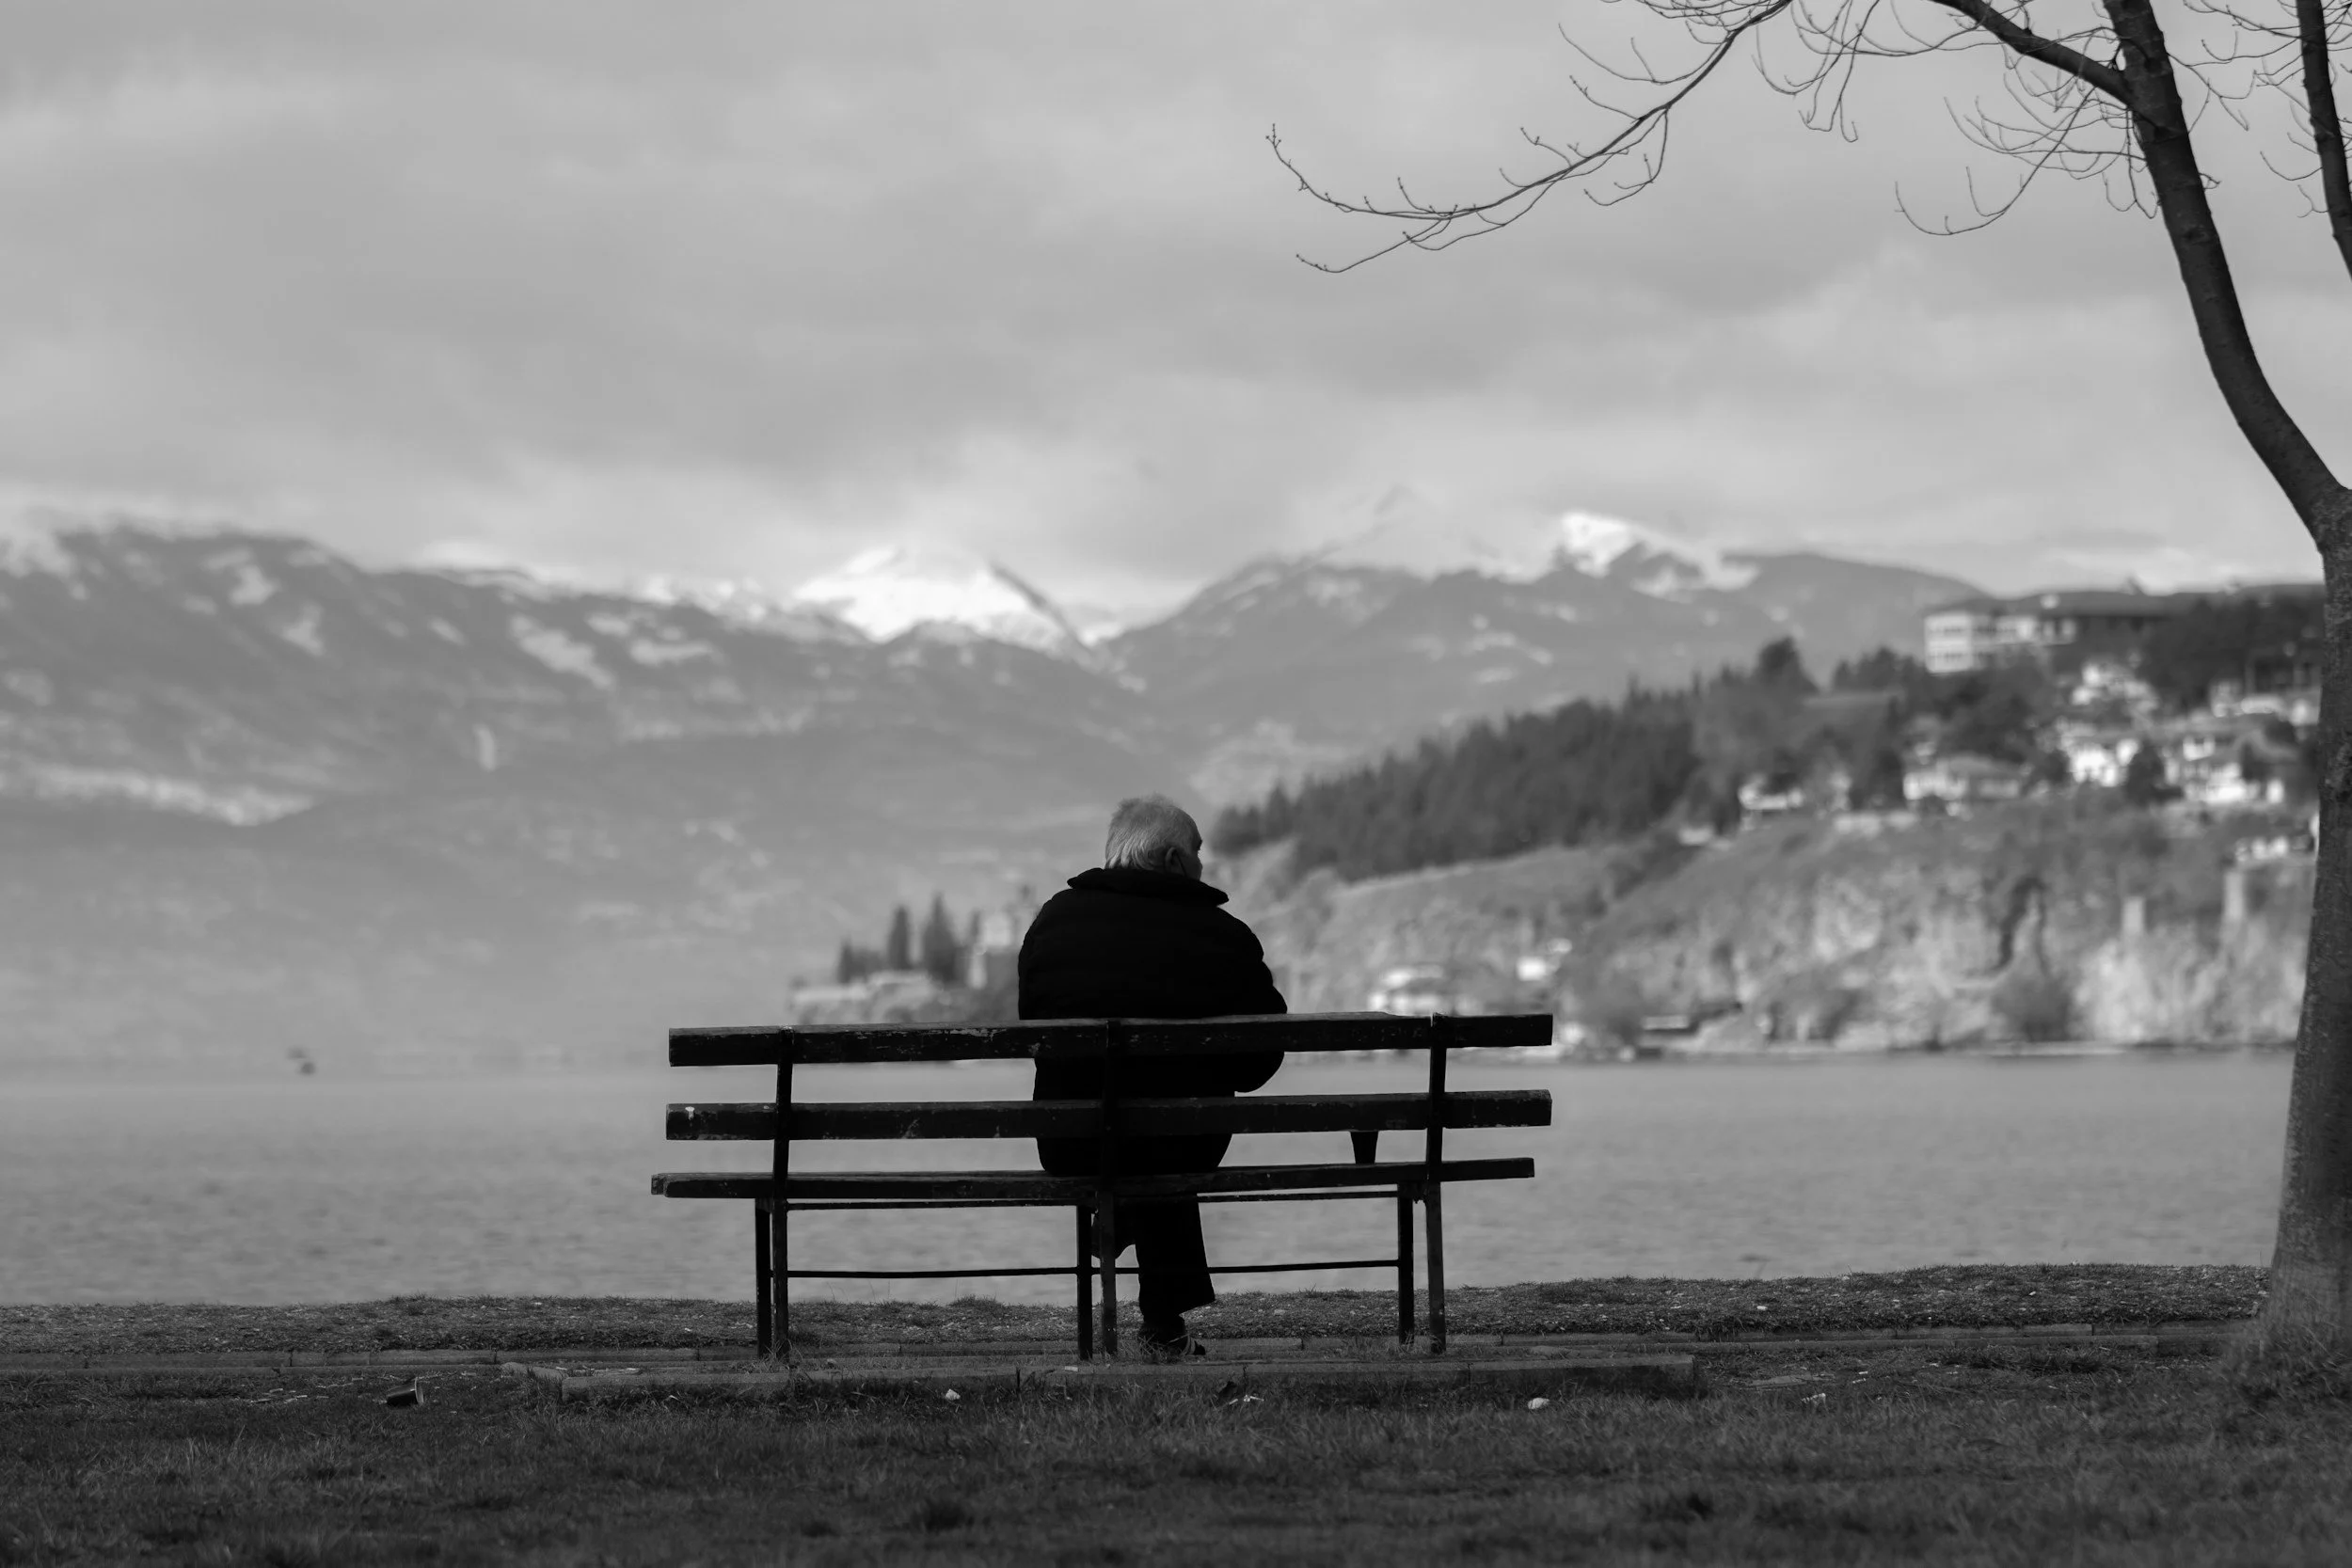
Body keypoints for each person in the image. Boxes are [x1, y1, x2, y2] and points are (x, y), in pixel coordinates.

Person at [1019, 794, 1286, 1359]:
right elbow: (1259, 1064)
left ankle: (1141, 1266)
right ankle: (1161, 1325)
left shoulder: (1053, 922)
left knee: (1135, 1131)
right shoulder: (1222, 937)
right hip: (1184, 1141)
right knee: (1164, 1136)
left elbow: (1036, 1031)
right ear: (1171, 860)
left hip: (1073, 1141)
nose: (1203, 865)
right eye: (1197, 852)